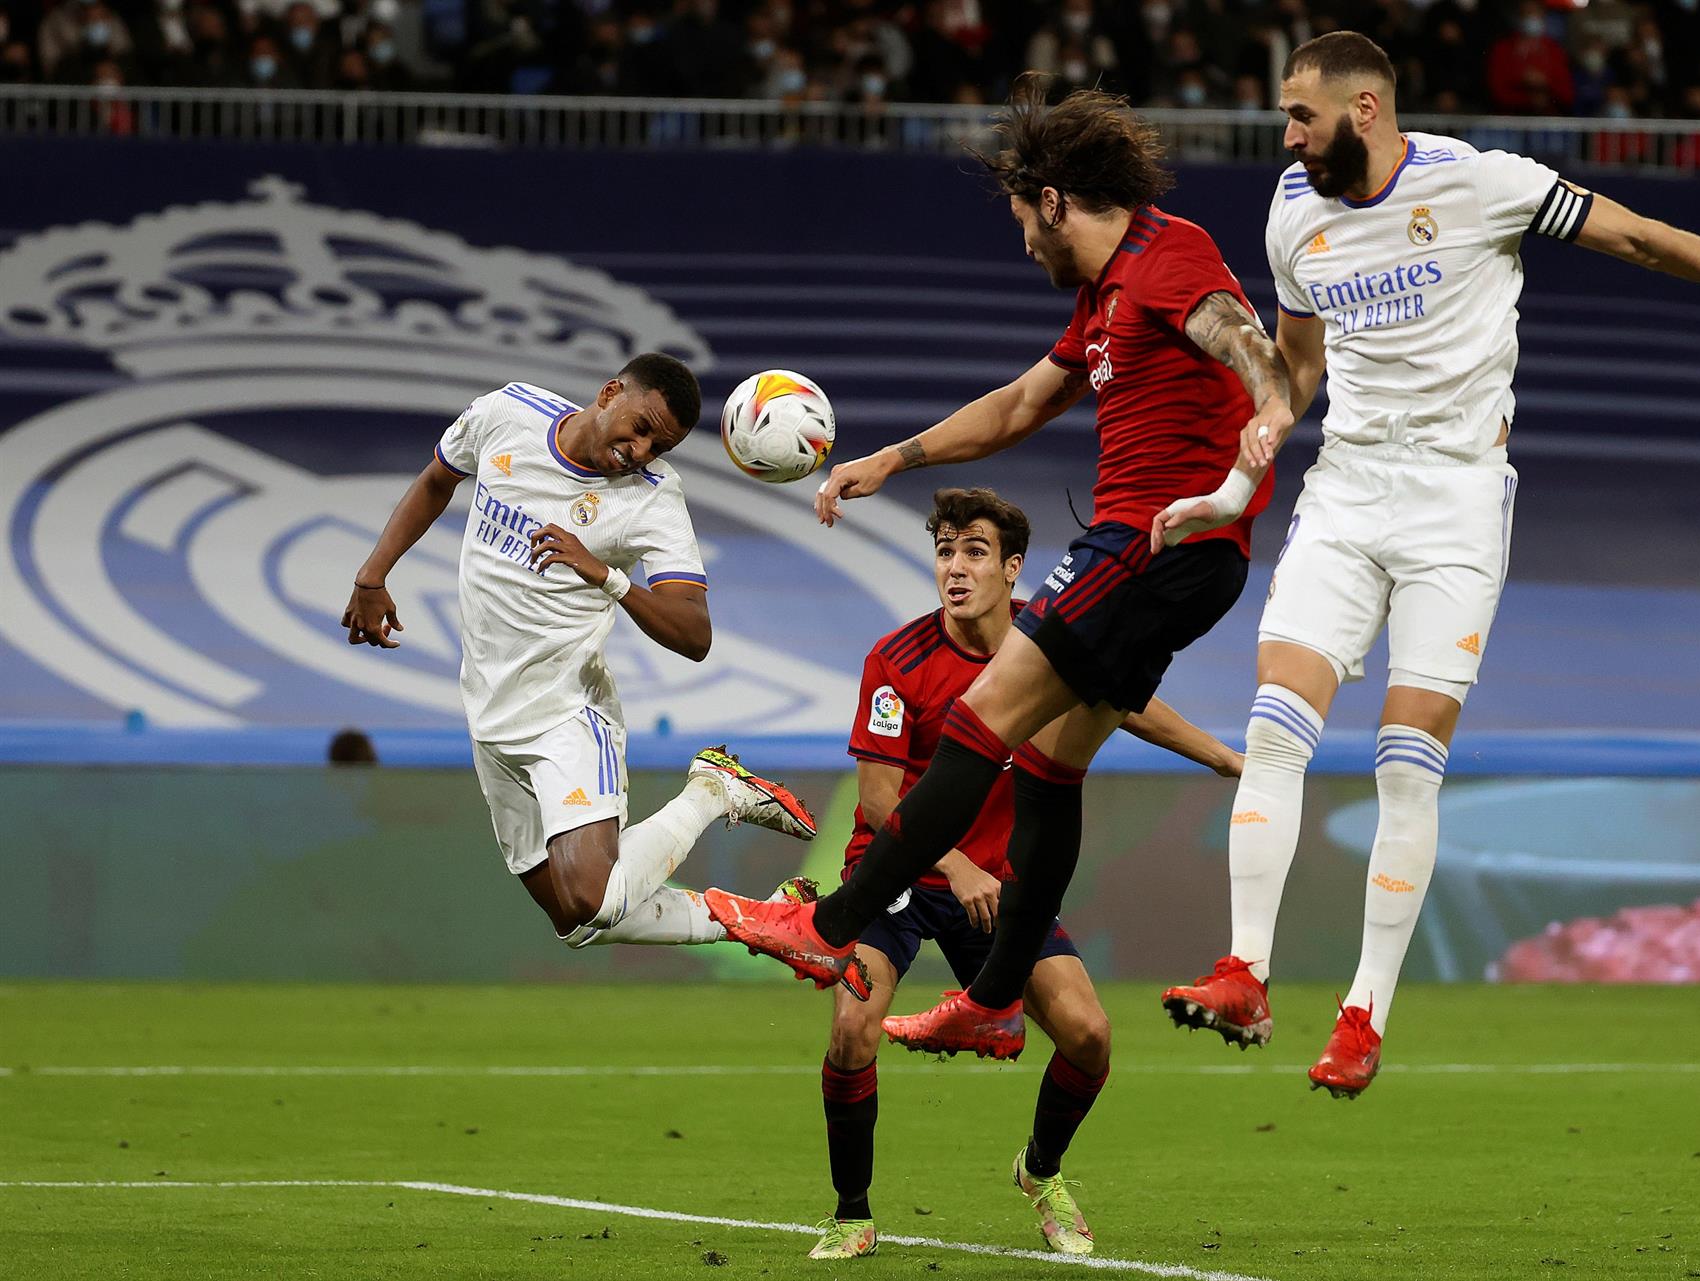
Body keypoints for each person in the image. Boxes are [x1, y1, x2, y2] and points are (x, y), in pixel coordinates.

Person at [1153, 31, 1700, 1097]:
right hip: (1349, 490)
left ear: (1364, 110)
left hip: (1456, 502)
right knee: (1277, 720)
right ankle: (1247, 971)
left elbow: (1641, 239)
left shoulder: (1482, 183)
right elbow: (1303, 368)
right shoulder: (1292, 209)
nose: (1285, 133)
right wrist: (1250, 452)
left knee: (1405, 758)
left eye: (1300, 115)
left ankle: (1363, 1016)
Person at [701, 73, 1294, 1064]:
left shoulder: (1166, 254)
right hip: (1185, 561)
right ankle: (994, 998)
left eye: (1026, 221)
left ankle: (829, 925)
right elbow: (1021, 404)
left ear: (1055, 201)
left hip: (1150, 545)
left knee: (979, 721)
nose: (1025, 243)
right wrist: (893, 459)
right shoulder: (1105, 299)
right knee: (1049, 765)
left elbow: (1243, 340)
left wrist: (1266, 414)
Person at [809, 487, 1241, 1261]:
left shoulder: (1055, 654)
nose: (955, 566)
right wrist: (957, 863)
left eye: (974, 550)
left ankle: (1040, 1171)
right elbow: (878, 800)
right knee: (850, 1031)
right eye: (945, 549)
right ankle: (851, 1213)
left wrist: (1225, 757)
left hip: (1001, 890)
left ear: (1014, 568)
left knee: (1089, 1036)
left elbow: (1129, 703)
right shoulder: (896, 658)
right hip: (904, 882)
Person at [340, 355, 821, 954]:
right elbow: (438, 478)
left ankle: (713, 792)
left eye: (659, 445)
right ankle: (765, 921)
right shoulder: (508, 414)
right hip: (489, 711)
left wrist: (606, 577)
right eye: (639, 426)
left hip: (569, 710)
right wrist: (372, 576)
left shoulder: (652, 499)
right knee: (573, 919)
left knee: (595, 897)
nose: (641, 450)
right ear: (610, 392)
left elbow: (695, 634)